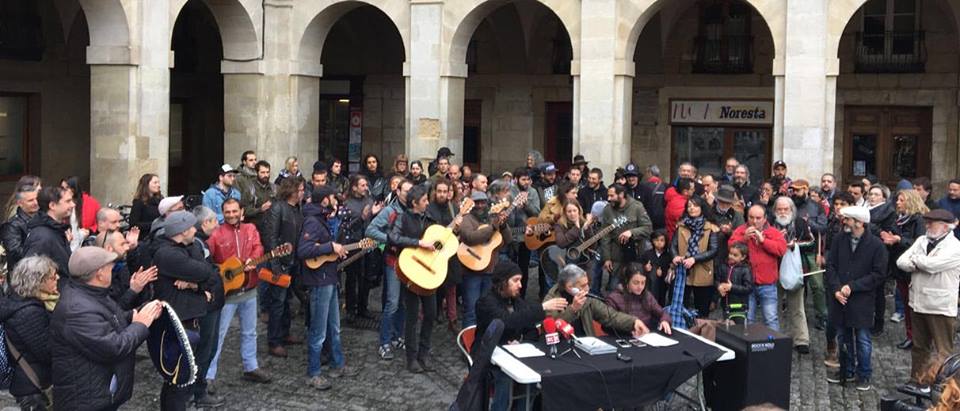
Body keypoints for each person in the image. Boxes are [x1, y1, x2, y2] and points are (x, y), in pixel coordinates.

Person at [50, 246, 163, 410]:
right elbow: (114, 347)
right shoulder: (77, 310)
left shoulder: (90, 293)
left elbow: (109, 320)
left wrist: (134, 314)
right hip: (86, 400)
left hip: (96, 392)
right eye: (110, 268)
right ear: (99, 274)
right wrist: (141, 324)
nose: (112, 271)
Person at [152, 211, 220, 410]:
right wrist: (198, 281)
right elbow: (205, 271)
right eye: (191, 227)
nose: (195, 230)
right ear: (181, 232)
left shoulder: (189, 247)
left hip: (189, 317)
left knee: (183, 375)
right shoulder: (168, 254)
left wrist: (193, 285)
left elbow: (211, 274)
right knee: (177, 377)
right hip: (177, 322)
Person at [477, 260, 566, 411]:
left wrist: (524, 343)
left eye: (521, 280)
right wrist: (542, 307)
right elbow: (505, 321)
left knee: (538, 374)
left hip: (514, 356)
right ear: (503, 282)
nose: (520, 285)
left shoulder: (517, 301)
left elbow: (530, 328)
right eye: (515, 280)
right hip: (488, 357)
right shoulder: (486, 302)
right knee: (504, 378)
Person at [205, 199, 272, 393]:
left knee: (250, 331)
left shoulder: (250, 229)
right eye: (227, 212)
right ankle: (208, 375)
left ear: (242, 211)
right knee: (218, 334)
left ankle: (251, 367)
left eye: (235, 211)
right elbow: (208, 260)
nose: (232, 215)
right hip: (227, 293)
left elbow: (259, 246)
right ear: (222, 213)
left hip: (250, 288)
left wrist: (254, 257)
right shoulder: (216, 234)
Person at [298, 185, 359, 390]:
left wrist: (337, 249)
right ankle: (313, 372)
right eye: (332, 197)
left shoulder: (322, 218)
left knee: (334, 327)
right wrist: (330, 247)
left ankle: (337, 364)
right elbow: (304, 250)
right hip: (319, 280)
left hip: (329, 277)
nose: (335, 199)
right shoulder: (312, 221)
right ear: (324, 200)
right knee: (319, 330)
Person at [896, 209, 960, 394]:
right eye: (927, 222)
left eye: (932, 222)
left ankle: (943, 386)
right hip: (918, 301)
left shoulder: (955, 247)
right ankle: (917, 380)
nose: (928, 225)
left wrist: (916, 261)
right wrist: (919, 262)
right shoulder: (921, 241)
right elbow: (901, 261)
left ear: (945, 227)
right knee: (919, 346)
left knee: (943, 349)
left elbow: (933, 266)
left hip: (940, 306)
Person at [825, 206, 887, 391]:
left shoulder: (876, 245)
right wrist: (836, 289)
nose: (844, 222)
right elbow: (831, 266)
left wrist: (853, 286)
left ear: (859, 223)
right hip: (840, 298)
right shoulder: (839, 239)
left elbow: (878, 275)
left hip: (862, 300)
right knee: (843, 336)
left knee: (862, 339)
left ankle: (864, 374)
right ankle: (848, 371)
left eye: (848, 219)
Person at [387, 185, 442, 373]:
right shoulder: (403, 218)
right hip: (411, 271)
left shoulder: (430, 218)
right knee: (411, 317)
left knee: (431, 314)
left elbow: (440, 238)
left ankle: (423, 355)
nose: (428, 203)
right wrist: (418, 243)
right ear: (414, 203)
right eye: (425, 200)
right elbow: (393, 237)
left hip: (429, 272)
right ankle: (411, 358)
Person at [1, 256, 58, 409]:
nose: (57, 278)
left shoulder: (22, 302)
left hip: (30, 381)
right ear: (37, 281)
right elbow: (47, 352)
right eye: (52, 277)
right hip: (31, 387)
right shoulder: (29, 312)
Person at [367, 179, 414, 360]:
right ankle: (384, 342)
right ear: (398, 191)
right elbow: (371, 230)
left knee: (403, 302)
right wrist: (389, 239)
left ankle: (397, 336)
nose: (408, 194)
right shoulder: (389, 211)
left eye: (411, 191)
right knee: (392, 302)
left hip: (409, 263)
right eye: (405, 191)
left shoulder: (414, 211)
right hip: (393, 261)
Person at [260, 176, 306, 357]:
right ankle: (274, 341)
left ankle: (285, 333)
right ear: (293, 191)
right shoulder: (278, 208)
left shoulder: (296, 209)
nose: (303, 192)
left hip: (293, 261)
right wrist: (276, 265)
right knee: (277, 302)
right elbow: (270, 238)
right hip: (280, 262)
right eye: (301, 189)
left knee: (287, 301)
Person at [880, 190, 928, 351]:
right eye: (897, 199)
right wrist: (888, 237)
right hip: (899, 268)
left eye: (901, 200)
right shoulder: (899, 219)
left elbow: (920, 243)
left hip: (912, 269)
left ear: (911, 201)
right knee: (907, 304)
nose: (898, 203)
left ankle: (917, 337)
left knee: (913, 305)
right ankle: (910, 335)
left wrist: (900, 240)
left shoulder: (918, 220)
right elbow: (894, 235)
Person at [544, 264, 648, 337]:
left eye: (587, 283)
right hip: (562, 346)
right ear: (570, 286)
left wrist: (633, 322)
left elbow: (610, 316)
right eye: (583, 285)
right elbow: (553, 329)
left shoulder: (586, 297)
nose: (587, 288)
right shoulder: (552, 300)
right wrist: (572, 309)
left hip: (586, 343)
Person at [729, 205, 787, 330]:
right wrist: (744, 238)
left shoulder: (773, 232)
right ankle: (748, 347)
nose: (754, 221)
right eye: (751, 217)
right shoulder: (740, 230)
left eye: (758, 218)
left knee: (771, 318)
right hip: (746, 283)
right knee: (747, 318)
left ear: (765, 218)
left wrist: (763, 242)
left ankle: (773, 347)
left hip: (767, 283)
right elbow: (731, 247)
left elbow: (781, 250)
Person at [459, 191, 512, 327]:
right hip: (472, 271)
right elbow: (470, 238)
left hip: (490, 271)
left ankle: (484, 339)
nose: (480, 205)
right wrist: (492, 227)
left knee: (487, 308)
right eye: (477, 203)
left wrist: (504, 225)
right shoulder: (467, 219)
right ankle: (468, 341)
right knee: (471, 309)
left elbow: (508, 239)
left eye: (483, 202)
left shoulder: (492, 218)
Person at [771, 196, 814, 354]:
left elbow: (811, 243)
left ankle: (801, 340)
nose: (782, 212)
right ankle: (774, 337)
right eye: (779, 209)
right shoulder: (769, 224)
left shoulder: (801, 223)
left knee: (797, 307)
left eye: (786, 209)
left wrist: (794, 245)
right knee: (773, 307)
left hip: (796, 270)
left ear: (792, 210)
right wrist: (777, 241)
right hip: (773, 270)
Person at [670, 196, 719, 318]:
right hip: (683, 271)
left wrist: (694, 259)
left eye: (695, 205)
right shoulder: (681, 225)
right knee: (680, 308)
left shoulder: (710, 227)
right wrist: (675, 256)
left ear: (702, 208)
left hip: (703, 270)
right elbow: (673, 245)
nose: (692, 208)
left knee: (701, 310)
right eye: (689, 206)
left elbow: (713, 250)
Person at [426, 179, 464, 330]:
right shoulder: (428, 209)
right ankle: (431, 314)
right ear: (435, 192)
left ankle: (452, 319)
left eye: (445, 191)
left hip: (450, 253)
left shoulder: (453, 208)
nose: (442, 194)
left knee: (451, 287)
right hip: (433, 252)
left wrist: (458, 227)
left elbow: (457, 233)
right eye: (439, 191)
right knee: (433, 286)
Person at [600, 184, 653, 290]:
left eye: (612, 196)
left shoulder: (637, 207)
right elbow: (605, 236)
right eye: (608, 196)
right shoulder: (607, 210)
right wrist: (606, 258)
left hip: (635, 254)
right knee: (613, 287)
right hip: (616, 255)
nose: (609, 199)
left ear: (621, 195)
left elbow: (648, 228)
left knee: (635, 288)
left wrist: (631, 232)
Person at [605, 262, 673, 335]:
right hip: (623, 338)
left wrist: (665, 321)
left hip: (645, 336)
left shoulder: (647, 296)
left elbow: (662, 313)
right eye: (636, 283)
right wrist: (629, 328)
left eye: (643, 283)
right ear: (626, 281)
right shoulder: (614, 299)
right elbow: (607, 324)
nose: (640, 287)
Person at [22, 186, 75, 276]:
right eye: (68, 201)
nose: (73, 204)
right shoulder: (42, 237)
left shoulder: (57, 230)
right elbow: (32, 276)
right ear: (52, 205)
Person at [1, 180, 40, 271]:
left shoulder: (42, 218)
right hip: (22, 277)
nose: (35, 203)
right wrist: (41, 248)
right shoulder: (11, 226)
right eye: (30, 200)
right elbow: (16, 253)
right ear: (20, 203)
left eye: (36, 199)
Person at [716, 242, 753, 323]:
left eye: (735, 255)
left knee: (739, 329)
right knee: (726, 328)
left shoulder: (745, 269)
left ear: (743, 257)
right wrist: (719, 287)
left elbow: (749, 288)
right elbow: (717, 280)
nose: (731, 256)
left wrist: (732, 287)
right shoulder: (723, 266)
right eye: (730, 254)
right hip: (725, 305)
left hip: (740, 307)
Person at [239, 160, 275, 231]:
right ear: (257, 173)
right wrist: (260, 209)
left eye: (267, 172)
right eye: (263, 172)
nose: (266, 175)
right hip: (254, 229)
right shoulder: (249, 188)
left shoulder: (274, 188)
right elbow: (244, 210)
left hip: (270, 229)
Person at [640, 230, 671, 306]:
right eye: (656, 240)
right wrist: (645, 267)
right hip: (649, 283)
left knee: (661, 301)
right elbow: (640, 265)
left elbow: (670, 270)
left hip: (662, 284)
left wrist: (663, 273)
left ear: (666, 242)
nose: (659, 242)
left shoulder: (668, 256)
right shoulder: (647, 254)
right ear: (652, 241)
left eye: (662, 240)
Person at [130, 173, 162, 241]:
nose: (158, 185)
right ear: (146, 184)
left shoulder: (160, 200)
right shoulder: (139, 202)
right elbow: (133, 223)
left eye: (158, 182)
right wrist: (154, 224)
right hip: (146, 238)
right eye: (155, 183)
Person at [665, 177, 696, 242]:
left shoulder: (674, 199)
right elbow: (690, 223)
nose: (694, 190)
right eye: (692, 189)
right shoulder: (679, 204)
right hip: (678, 241)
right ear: (685, 192)